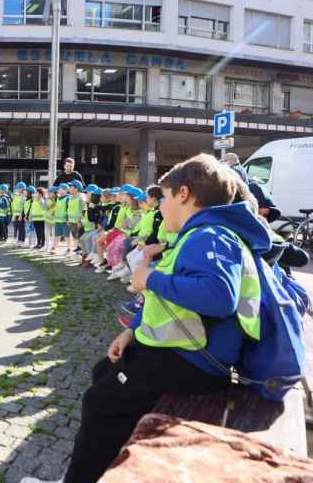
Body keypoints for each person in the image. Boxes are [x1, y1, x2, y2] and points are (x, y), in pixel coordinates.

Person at [25, 154, 270, 483]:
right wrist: (134, 332)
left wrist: (148, 279)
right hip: (187, 352)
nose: (161, 206)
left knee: (100, 403)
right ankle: (107, 466)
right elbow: (174, 300)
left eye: (165, 197)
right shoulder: (201, 232)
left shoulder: (209, 235)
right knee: (104, 373)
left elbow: (218, 296)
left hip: (196, 361)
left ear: (183, 194)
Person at [29, 186, 47, 250]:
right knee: (37, 232)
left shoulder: (41, 200)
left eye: (36, 193)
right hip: (35, 219)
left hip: (41, 219)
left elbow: (44, 208)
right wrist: (30, 216)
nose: (34, 194)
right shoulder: (34, 200)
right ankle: (38, 243)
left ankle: (42, 244)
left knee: (41, 232)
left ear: (40, 194)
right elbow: (32, 209)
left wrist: (40, 202)